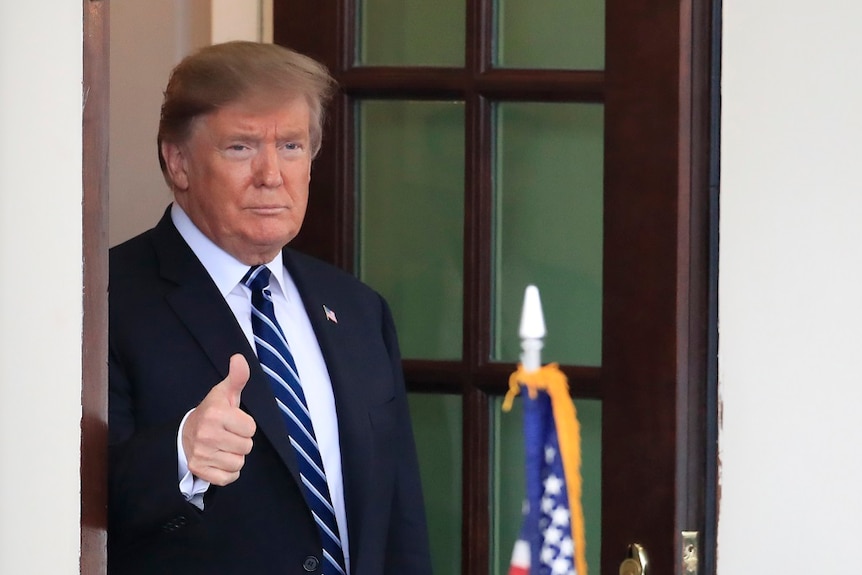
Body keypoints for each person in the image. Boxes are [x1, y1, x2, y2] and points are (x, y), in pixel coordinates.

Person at [107, 41, 432, 575]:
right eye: (240, 147)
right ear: (178, 161)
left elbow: (399, 521)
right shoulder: (104, 301)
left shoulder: (357, 309)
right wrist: (180, 456)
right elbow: (58, 503)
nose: (271, 174)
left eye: (291, 147)